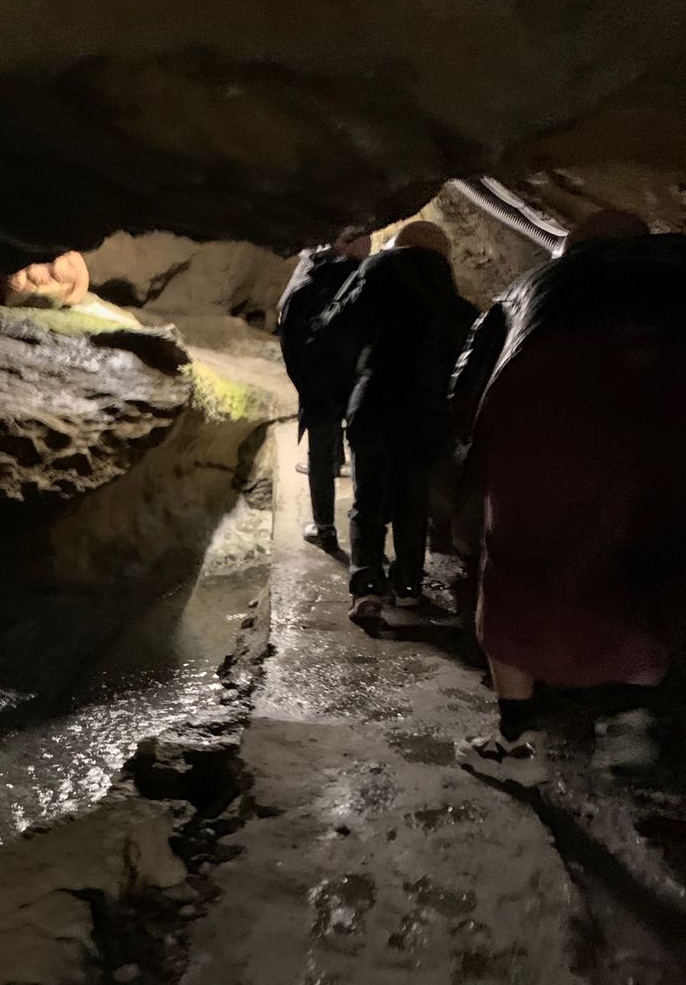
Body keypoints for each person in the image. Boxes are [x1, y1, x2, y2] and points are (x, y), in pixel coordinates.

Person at [450, 210, 686, 783]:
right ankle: (629, 721)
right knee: (645, 566)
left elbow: (467, 379)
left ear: (569, 248)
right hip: (667, 426)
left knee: (513, 577)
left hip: (547, 425)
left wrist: (470, 453)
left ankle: (518, 743)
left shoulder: (535, 287)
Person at [315, 220, 477, 625]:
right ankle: (407, 587)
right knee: (412, 498)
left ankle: (367, 587)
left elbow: (336, 327)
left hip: (375, 400)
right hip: (425, 410)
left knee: (368, 498)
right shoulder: (455, 304)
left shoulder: (377, 273)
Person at [276, 230, 371, 549]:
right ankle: (364, 535)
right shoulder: (372, 279)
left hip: (322, 384)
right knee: (362, 452)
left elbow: (289, 334)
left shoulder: (310, 277)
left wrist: (305, 384)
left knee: (320, 450)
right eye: (362, 237)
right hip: (359, 382)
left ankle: (324, 528)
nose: (367, 242)